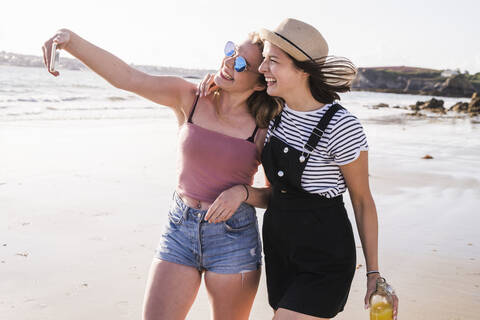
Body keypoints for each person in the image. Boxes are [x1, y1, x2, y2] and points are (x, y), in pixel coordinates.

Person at [42, 29, 280, 320]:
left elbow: (275, 196)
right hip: (180, 230)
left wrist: (242, 192)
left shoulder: (264, 130)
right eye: (231, 52)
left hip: (234, 238)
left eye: (241, 64)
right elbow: (128, 78)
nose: (229, 62)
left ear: (258, 84)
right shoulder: (189, 97)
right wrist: (70, 41)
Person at [255, 18, 399, 319]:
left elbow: (362, 200)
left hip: (324, 258)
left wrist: (373, 273)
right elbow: (276, 194)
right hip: (279, 253)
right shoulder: (272, 112)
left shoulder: (341, 126)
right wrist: (242, 194)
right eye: (263, 59)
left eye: (273, 61)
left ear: (303, 70)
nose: (262, 68)